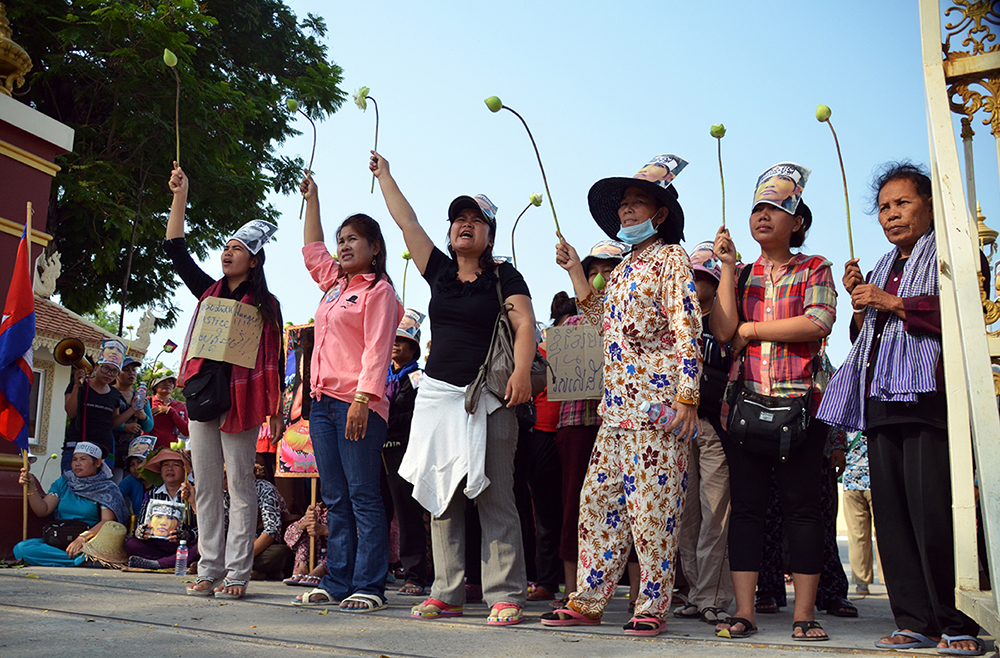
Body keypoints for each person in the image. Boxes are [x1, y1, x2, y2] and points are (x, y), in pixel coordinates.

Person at [817, 162, 984, 655]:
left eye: (903, 203)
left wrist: (892, 302)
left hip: (928, 400)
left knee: (934, 513)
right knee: (892, 518)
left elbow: (965, 313)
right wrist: (860, 304)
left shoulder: (952, 254)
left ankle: (957, 623)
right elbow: (865, 339)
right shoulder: (883, 265)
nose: (892, 215)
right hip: (881, 402)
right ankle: (913, 621)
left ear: (930, 205)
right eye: (885, 207)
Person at [372, 151, 536, 627]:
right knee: (441, 494)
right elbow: (406, 221)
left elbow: (524, 323)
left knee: (496, 495)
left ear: (489, 234)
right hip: (438, 398)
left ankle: (505, 592)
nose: (465, 225)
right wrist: (386, 176)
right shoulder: (440, 272)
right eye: (458, 219)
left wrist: (521, 374)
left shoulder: (504, 275)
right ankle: (447, 591)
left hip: (489, 397)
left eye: (475, 220)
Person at [544, 153, 702, 637]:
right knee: (598, 504)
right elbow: (598, 326)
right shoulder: (624, 267)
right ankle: (589, 599)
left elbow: (686, 325)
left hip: (657, 407)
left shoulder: (671, 258)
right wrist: (575, 270)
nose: (628, 211)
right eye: (624, 205)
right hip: (614, 411)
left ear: (660, 213)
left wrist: (687, 396)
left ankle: (652, 603)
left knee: (653, 510)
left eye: (639, 203)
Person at [711, 161, 836, 641]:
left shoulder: (814, 266)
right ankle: (745, 612)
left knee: (802, 509)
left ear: (797, 220)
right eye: (756, 209)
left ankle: (804, 614)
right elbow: (722, 333)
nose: (762, 216)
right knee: (747, 509)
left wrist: (753, 330)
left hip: (801, 406)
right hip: (744, 408)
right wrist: (725, 267)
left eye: (775, 208)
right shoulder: (740, 274)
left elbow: (817, 322)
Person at [165, 163, 284, 600]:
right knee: (207, 486)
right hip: (200, 398)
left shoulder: (267, 305)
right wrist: (181, 194)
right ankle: (208, 567)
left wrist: (272, 412)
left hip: (242, 403)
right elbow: (176, 248)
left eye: (236, 249)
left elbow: (273, 362)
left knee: (240, 485)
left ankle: (237, 573)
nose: (226, 253)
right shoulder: (207, 291)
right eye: (225, 247)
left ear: (254, 259)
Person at [291, 172, 402, 613]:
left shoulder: (380, 291)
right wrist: (313, 198)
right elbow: (311, 250)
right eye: (342, 240)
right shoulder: (335, 286)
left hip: (359, 403)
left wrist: (362, 399)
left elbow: (378, 350)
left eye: (354, 239)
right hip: (320, 404)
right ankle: (337, 580)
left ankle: (370, 584)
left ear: (375, 247)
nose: (343, 246)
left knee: (363, 495)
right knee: (334, 496)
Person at [552, 241, 624, 604]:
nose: (600, 278)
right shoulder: (571, 323)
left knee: (628, 509)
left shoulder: (632, 318)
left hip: (623, 424)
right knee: (574, 508)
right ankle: (573, 589)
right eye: (593, 271)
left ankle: (637, 593)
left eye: (608, 270)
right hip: (578, 425)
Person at [673, 241, 734, 624]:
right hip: (679, 426)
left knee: (715, 513)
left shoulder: (726, 319)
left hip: (714, 425)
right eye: (689, 275)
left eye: (701, 275)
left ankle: (713, 596)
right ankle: (696, 592)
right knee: (685, 515)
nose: (694, 282)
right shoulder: (678, 318)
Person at [15, 442, 129, 567]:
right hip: (60, 539)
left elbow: (107, 522)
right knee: (21, 549)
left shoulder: (107, 488)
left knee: (94, 551)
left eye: (83, 459)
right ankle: (82, 561)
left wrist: (82, 538)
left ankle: (84, 557)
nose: (77, 463)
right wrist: (31, 487)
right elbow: (43, 510)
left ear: (97, 463)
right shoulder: (64, 482)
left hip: (91, 541)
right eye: (74, 459)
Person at [383, 309, 431, 596]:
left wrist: (386, 420)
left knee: (408, 512)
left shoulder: (417, 378)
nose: (396, 344)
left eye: (403, 340)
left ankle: (415, 575)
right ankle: (378, 570)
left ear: (414, 346)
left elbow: (417, 416)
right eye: (393, 338)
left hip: (404, 451)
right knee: (378, 513)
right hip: (378, 451)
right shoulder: (378, 374)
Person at [60, 338, 139, 471]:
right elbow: (71, 413)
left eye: (114, 371)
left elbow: (113, 423)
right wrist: (76, 385)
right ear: (96, 366)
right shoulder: (81, 385)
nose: (109, 374)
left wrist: (133, 409)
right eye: (106, 368)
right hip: (77, 446)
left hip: (103, 449)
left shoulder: (114, 394)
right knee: (71, 487)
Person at [125, 447, 199, 570]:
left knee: (201, 546)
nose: (170, 469)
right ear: (160, 471)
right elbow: (141, 523)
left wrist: (188, 534)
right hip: (158, 546)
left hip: (185, 545)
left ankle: (158, 564)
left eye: (176, 465)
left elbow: (204, 526)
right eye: (165, 465)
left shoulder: (194, 492)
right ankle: (174, 562)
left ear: (185, 470)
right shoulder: (151, 494)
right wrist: (140, 531)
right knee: (131, 544)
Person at [840, 432, 877, 597]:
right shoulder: (873, 420)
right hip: (876, 480)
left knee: (857, 535)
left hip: (851, 481)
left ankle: (862, 582)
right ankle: (889, 579)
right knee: (885, 532)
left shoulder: (844, 425)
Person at [113, 357, 153, 464]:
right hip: (112, 447)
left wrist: (143, 417)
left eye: (134, 370)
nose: (131, 373)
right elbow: (104, 420)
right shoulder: (110, 393)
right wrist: (124, 427)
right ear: (116, 372)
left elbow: (149, 426)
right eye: (126, 370)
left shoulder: (140, 397)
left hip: (133, 451)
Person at [283, 502, 329, 587]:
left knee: (340, 543)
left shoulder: (346, 507)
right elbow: (288, 537)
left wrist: (324, 530)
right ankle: (302, 567)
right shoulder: (318, 509)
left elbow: (356, 536)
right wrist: (305, 523)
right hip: (314, 557)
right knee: (304, 531)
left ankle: (322, 570)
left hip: (332, 560)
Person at [148, 370, 189, 450]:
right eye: (163, 381)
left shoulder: (180, 406)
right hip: (150, 451)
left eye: (170, 381)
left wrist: (170, 411)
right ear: (154, 386)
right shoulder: (147, 402)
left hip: (172, 451)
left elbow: (186, 431)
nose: (167, 384)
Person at [119, 435, 156, 517]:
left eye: (139, 462)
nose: (136, 467)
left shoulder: (161, 479)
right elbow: (116, 495)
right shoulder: (131, 480)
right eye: (132, 464)